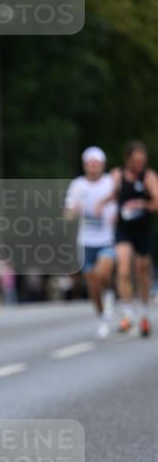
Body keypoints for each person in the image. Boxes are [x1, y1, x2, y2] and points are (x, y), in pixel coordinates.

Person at [99, 141, 158, 336]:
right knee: (123, 269)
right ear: (128, 160)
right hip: (123, 229)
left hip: (142, 230)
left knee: (142, 269)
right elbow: (112, 195)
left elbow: (156, 202)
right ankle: (127, 313)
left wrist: (141, 203)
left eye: (142, 161)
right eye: (136, 161)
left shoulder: (149, 176)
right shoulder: (117, 175)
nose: (139, 164)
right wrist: (102, 204)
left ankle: (143, 312)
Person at [64, 146, 117, 339]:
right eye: (89, 163)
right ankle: (102, 318)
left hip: (107, 239)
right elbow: (67, 213)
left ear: (102, 165)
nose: (93, 167)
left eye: (96, 163)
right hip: (86, 242)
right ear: (85, 165)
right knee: (93, 286)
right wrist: (74, 210)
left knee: (102, 274)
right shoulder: (78, 185)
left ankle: (109, 293)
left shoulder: (111, 183)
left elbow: (121, 203)